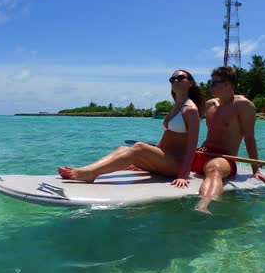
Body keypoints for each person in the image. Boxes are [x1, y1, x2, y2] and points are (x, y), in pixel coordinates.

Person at [58, 69, 205, 189]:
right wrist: (146, 160)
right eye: (172, 79)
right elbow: (165, 141)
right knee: (123, 149)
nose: (175, 81)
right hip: (163, 159)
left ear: (190, 83)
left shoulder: (190, 110)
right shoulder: (176, 106)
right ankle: (87, 169)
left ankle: (90, 174)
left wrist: (183, 175)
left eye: (180, 78)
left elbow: (192, 146)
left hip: (176, 165)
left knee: (139, 146)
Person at [192, 66, 265, 215]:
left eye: (215, 83)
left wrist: (256, 170)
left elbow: (249, 138)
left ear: (228, 84)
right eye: (211, 82)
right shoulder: (209, 104)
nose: (211, 87)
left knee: (215, 168)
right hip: (202, 153)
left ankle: (203, 204)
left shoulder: (243, 105)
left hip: (223, 159)